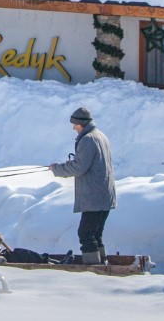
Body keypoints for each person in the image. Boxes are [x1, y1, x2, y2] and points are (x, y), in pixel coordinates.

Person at [48, 107, 116, 265]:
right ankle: (102, 262)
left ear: (81, 124)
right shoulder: (100, 136)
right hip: (104, 194)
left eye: (74, 124)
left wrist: (56, 169)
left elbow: (79, 168)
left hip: (94, 196)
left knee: (85, 234)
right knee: (95, 234)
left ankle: (93, 268)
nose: (73, 128)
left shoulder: (87, 140)